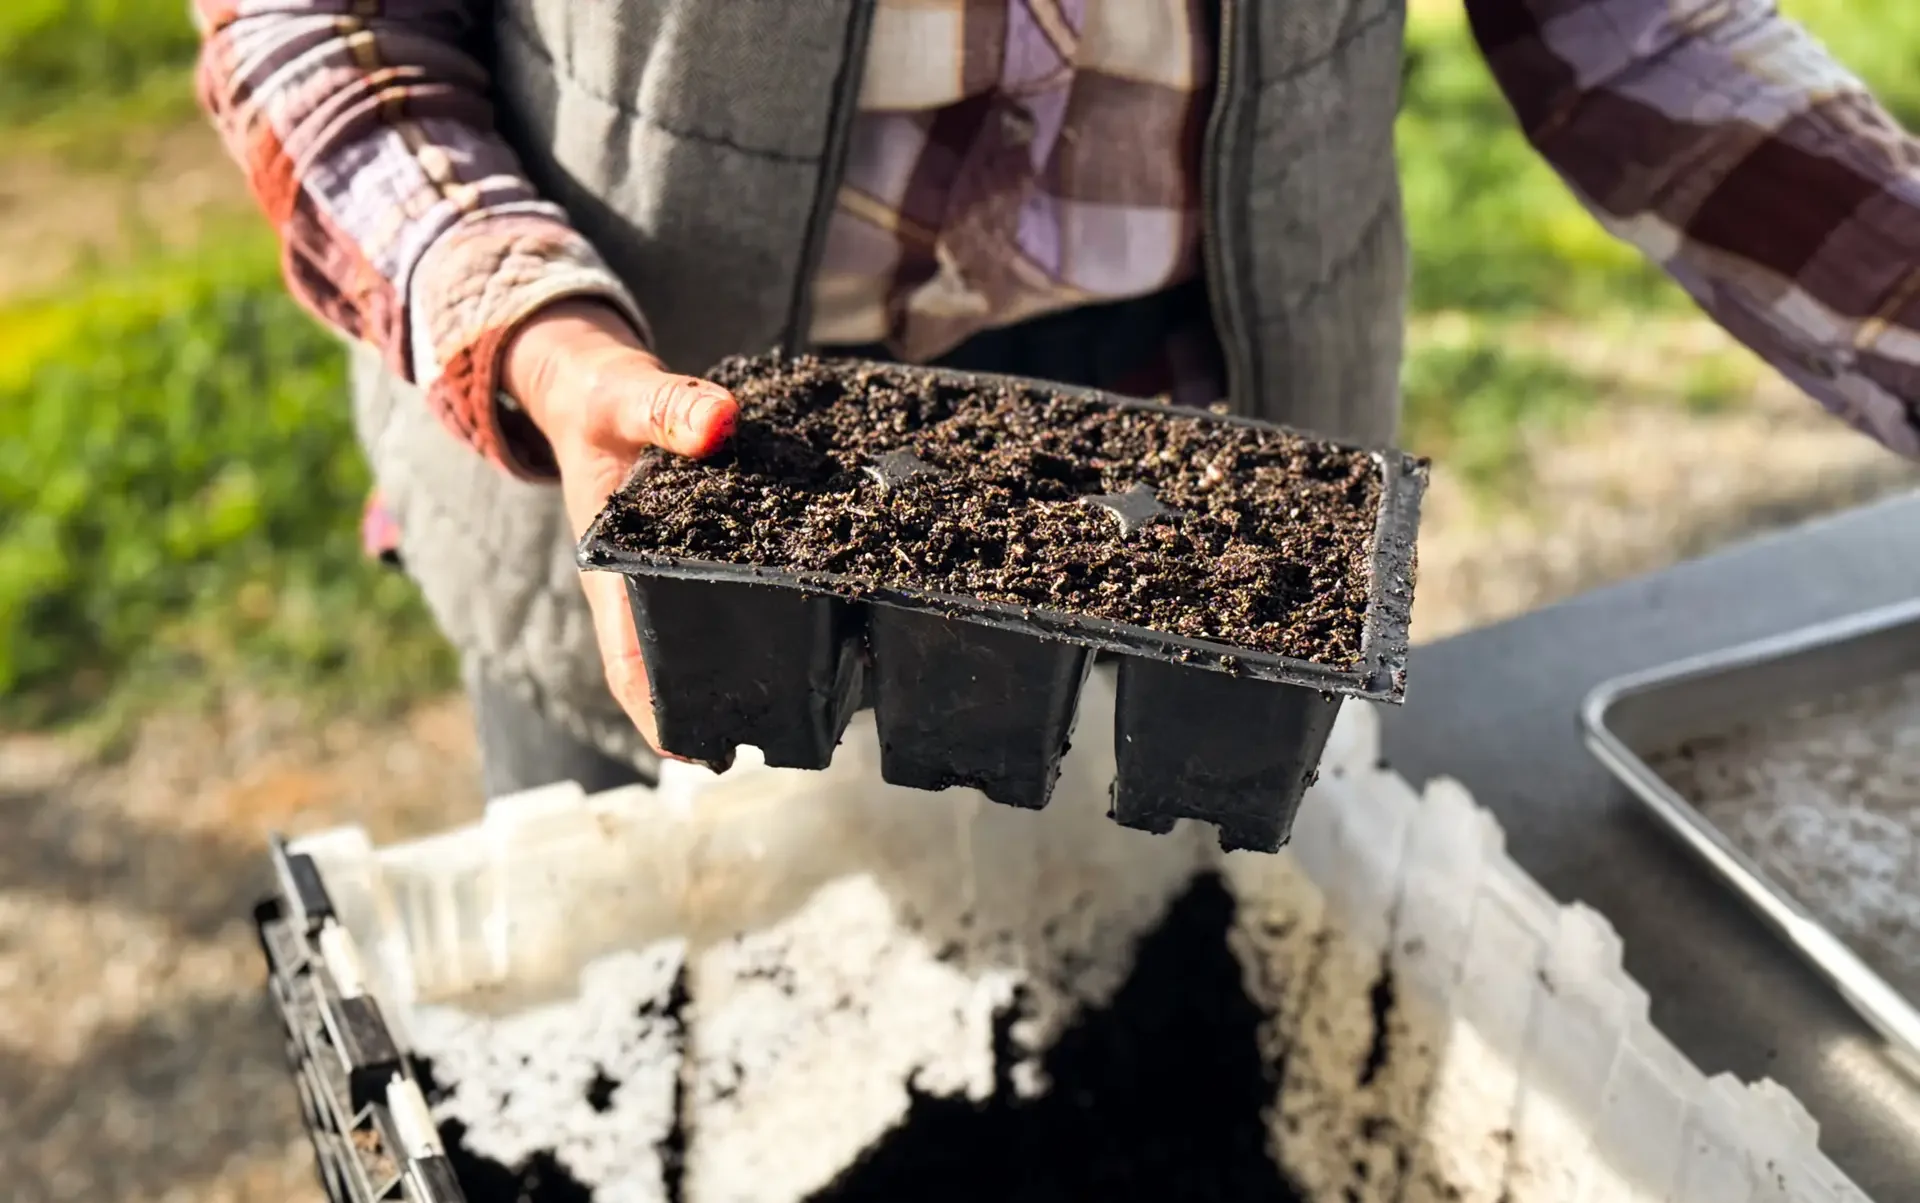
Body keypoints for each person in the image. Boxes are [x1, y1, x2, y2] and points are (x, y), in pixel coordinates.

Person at [195, 0, 1920, 799]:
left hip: (1201, 461)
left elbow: (1637, 28)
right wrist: (531, 329)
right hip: (654, 449)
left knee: (1153, 1044)